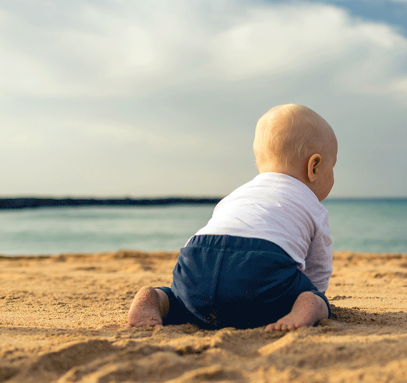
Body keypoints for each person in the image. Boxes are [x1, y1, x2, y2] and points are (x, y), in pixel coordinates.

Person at [127, 104, 337, 332]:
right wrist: (313, 294)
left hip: (195, 261)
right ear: (314, 166)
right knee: (315, 299)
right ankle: (307, 306)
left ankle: (157, 298)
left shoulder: (238, 194)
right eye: (333, 166)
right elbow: (318, 270)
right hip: (260, 267)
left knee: (182, 300)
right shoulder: (311, 204)